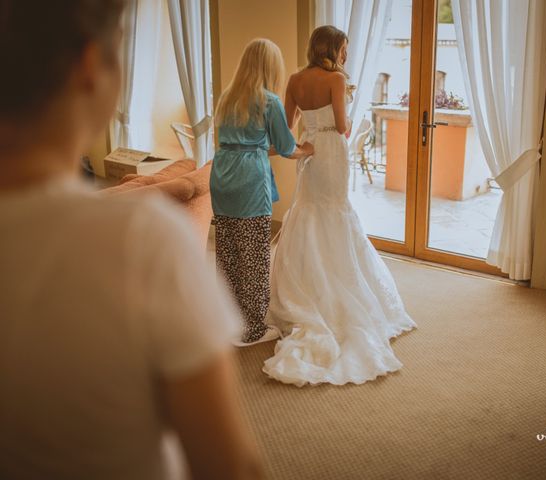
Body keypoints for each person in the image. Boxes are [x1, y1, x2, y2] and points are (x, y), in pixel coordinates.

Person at [0, 1, 263, 478]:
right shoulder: (141, 240)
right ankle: (199, 177)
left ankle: (195, 177)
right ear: (89, 66)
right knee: (190, 190)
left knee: (178, 185)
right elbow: (229, 467)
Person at [263, 26, 417, 387]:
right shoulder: (335, 78)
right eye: (344, 48)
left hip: (309, 152)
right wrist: (338, 111)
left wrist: (304, 143)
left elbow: (286, 129)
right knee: (334, 211)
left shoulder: (296, 79)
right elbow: (344, 126)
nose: (346, 55)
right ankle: (335, 286)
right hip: (332, 151)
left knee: (309, 209)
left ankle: (305, 283)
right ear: (331, 48)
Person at [210, 38, 313, 346]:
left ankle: (228, 319)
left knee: (227, 252)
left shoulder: (228, 96)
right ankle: (253, 329)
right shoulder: (268, 100)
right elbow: (285, 147)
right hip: (248, 182)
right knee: (254, 255)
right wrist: (307, 150)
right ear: (270, 67)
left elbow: (244, 142)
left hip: (222, 175)